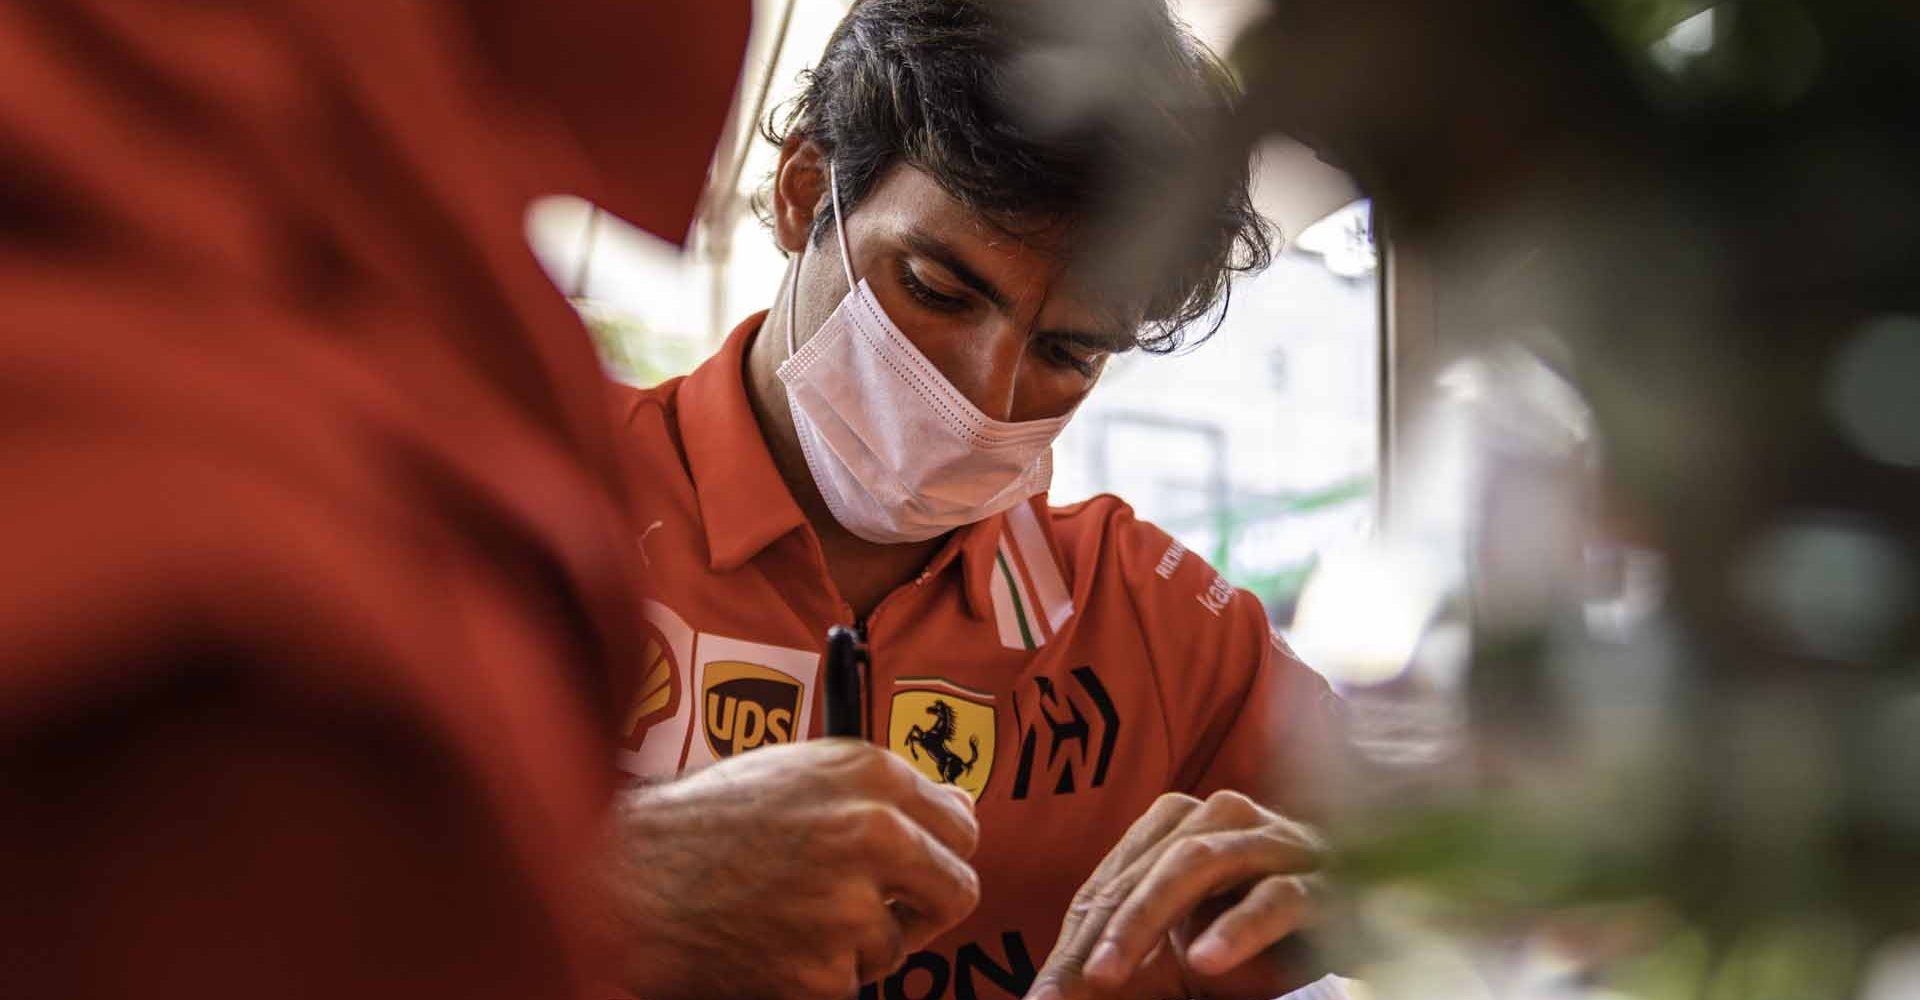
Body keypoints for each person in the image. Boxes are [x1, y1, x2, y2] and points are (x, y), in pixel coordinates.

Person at [599, 2, 1348, 999]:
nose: (985, 396)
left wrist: (1335, 896)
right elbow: (322, 898)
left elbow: (1481, 856)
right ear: (801, 191)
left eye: (1068, 353)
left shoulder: (1149, 626)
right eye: (936, 289)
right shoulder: (529, 505)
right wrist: (609, 889)